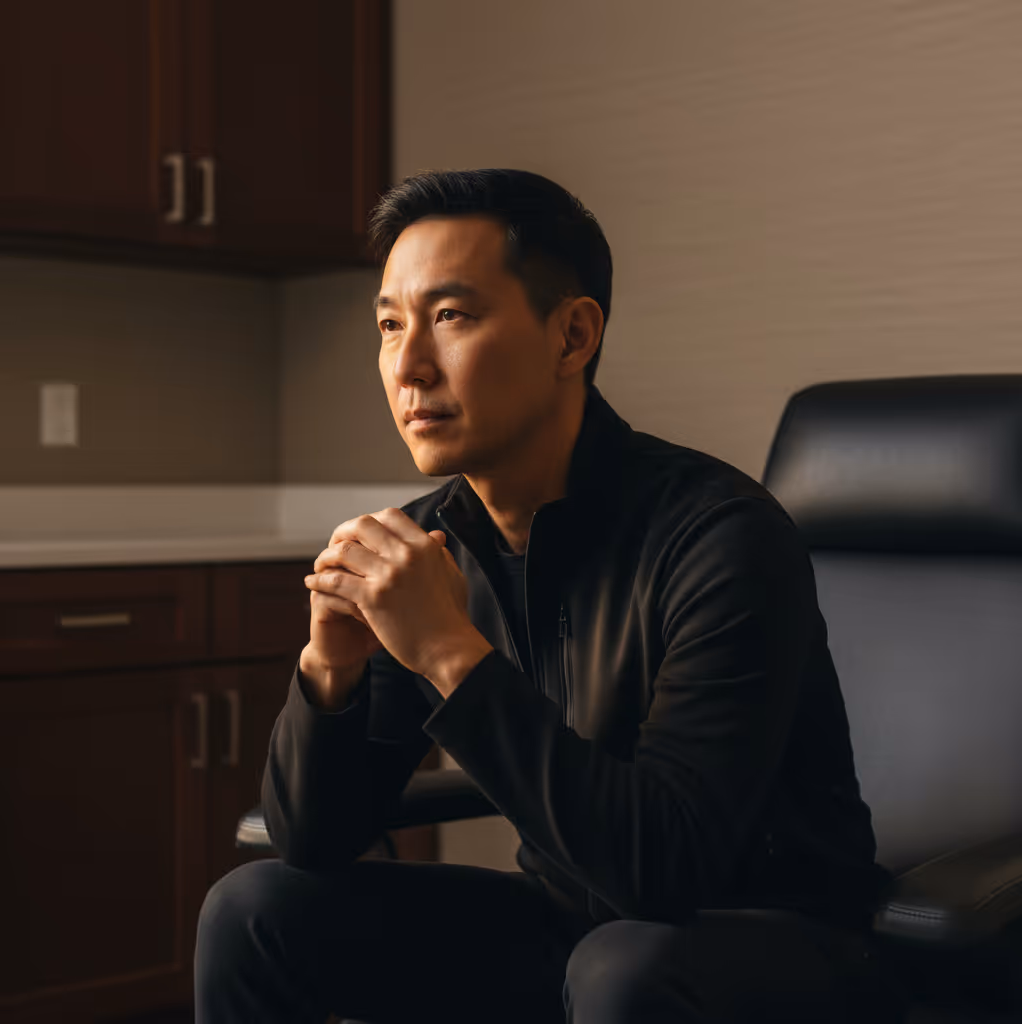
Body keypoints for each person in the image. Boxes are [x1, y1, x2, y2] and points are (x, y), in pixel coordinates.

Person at [194, 169, 903, 1023]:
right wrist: (329, 673)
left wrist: (447, 652)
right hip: (576, 931)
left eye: (450, 317)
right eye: (389, 325)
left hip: (780, 942)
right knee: (252, 912)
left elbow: (666, 870)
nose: (408, 366)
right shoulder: (428, 547)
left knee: (621, 967)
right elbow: (313, 839)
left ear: (572, 337)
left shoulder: (722, 536)